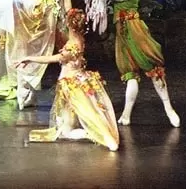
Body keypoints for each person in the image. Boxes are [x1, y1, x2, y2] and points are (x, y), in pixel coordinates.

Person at [82, 0, 179, 127]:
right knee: (131, 74)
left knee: (151, 66)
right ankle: (126, 114)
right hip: (124, 30)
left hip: (132, 29)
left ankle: (169, 108)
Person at [20, 8, 120, 151]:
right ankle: (93, 134)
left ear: (69, 24)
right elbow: (69, 9)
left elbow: (53, 58)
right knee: (68, 124)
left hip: (72, 84)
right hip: (75, 80)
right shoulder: (79, 37)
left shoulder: (73, 44)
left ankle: (99, 136)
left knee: (84, 115)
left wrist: (30, 58)